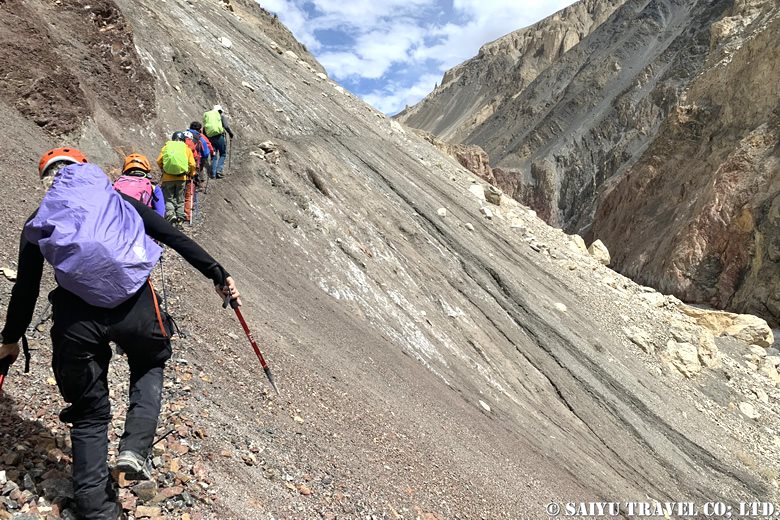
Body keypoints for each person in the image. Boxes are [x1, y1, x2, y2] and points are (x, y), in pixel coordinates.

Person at [0, 147, 241, 520]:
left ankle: (97, 510)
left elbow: (26, 288)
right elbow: (171, 235)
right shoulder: (117, 200)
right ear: (86, 170)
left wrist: (11, 338)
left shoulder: (40, 217)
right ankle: (135, 447)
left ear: (50, 179)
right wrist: (217, 274)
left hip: (76, 320)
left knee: (89, 413)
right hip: (136, 306)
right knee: (149, 362)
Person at [157, 132, 195, 228]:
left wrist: (163, 169)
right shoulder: (186, 148)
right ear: (183, 139)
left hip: (167, 177)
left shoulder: (166, 147)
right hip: (181, 178)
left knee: (168, 198)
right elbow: (192, 164)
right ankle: (180, 220)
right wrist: (191, 173)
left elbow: (159, 160)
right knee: (180, 199)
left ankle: (171, 215)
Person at [202, 104, 234, 179]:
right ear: (219, 110)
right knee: (223, 154)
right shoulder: (221, 115)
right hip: (219, 136)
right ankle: (219, 171)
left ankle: (213, 174)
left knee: (213, 155)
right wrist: (230, 133)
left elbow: (205, 127)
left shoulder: (207, 115)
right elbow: (226, 126)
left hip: (210, 137)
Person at [188, 122, 214, 188]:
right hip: (198, 157)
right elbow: (207, 146)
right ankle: (199, 183)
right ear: (200, 129)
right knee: (200, 168)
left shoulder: (185, 134)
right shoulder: (200, 136)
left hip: (187, 156)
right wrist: (212, 153)